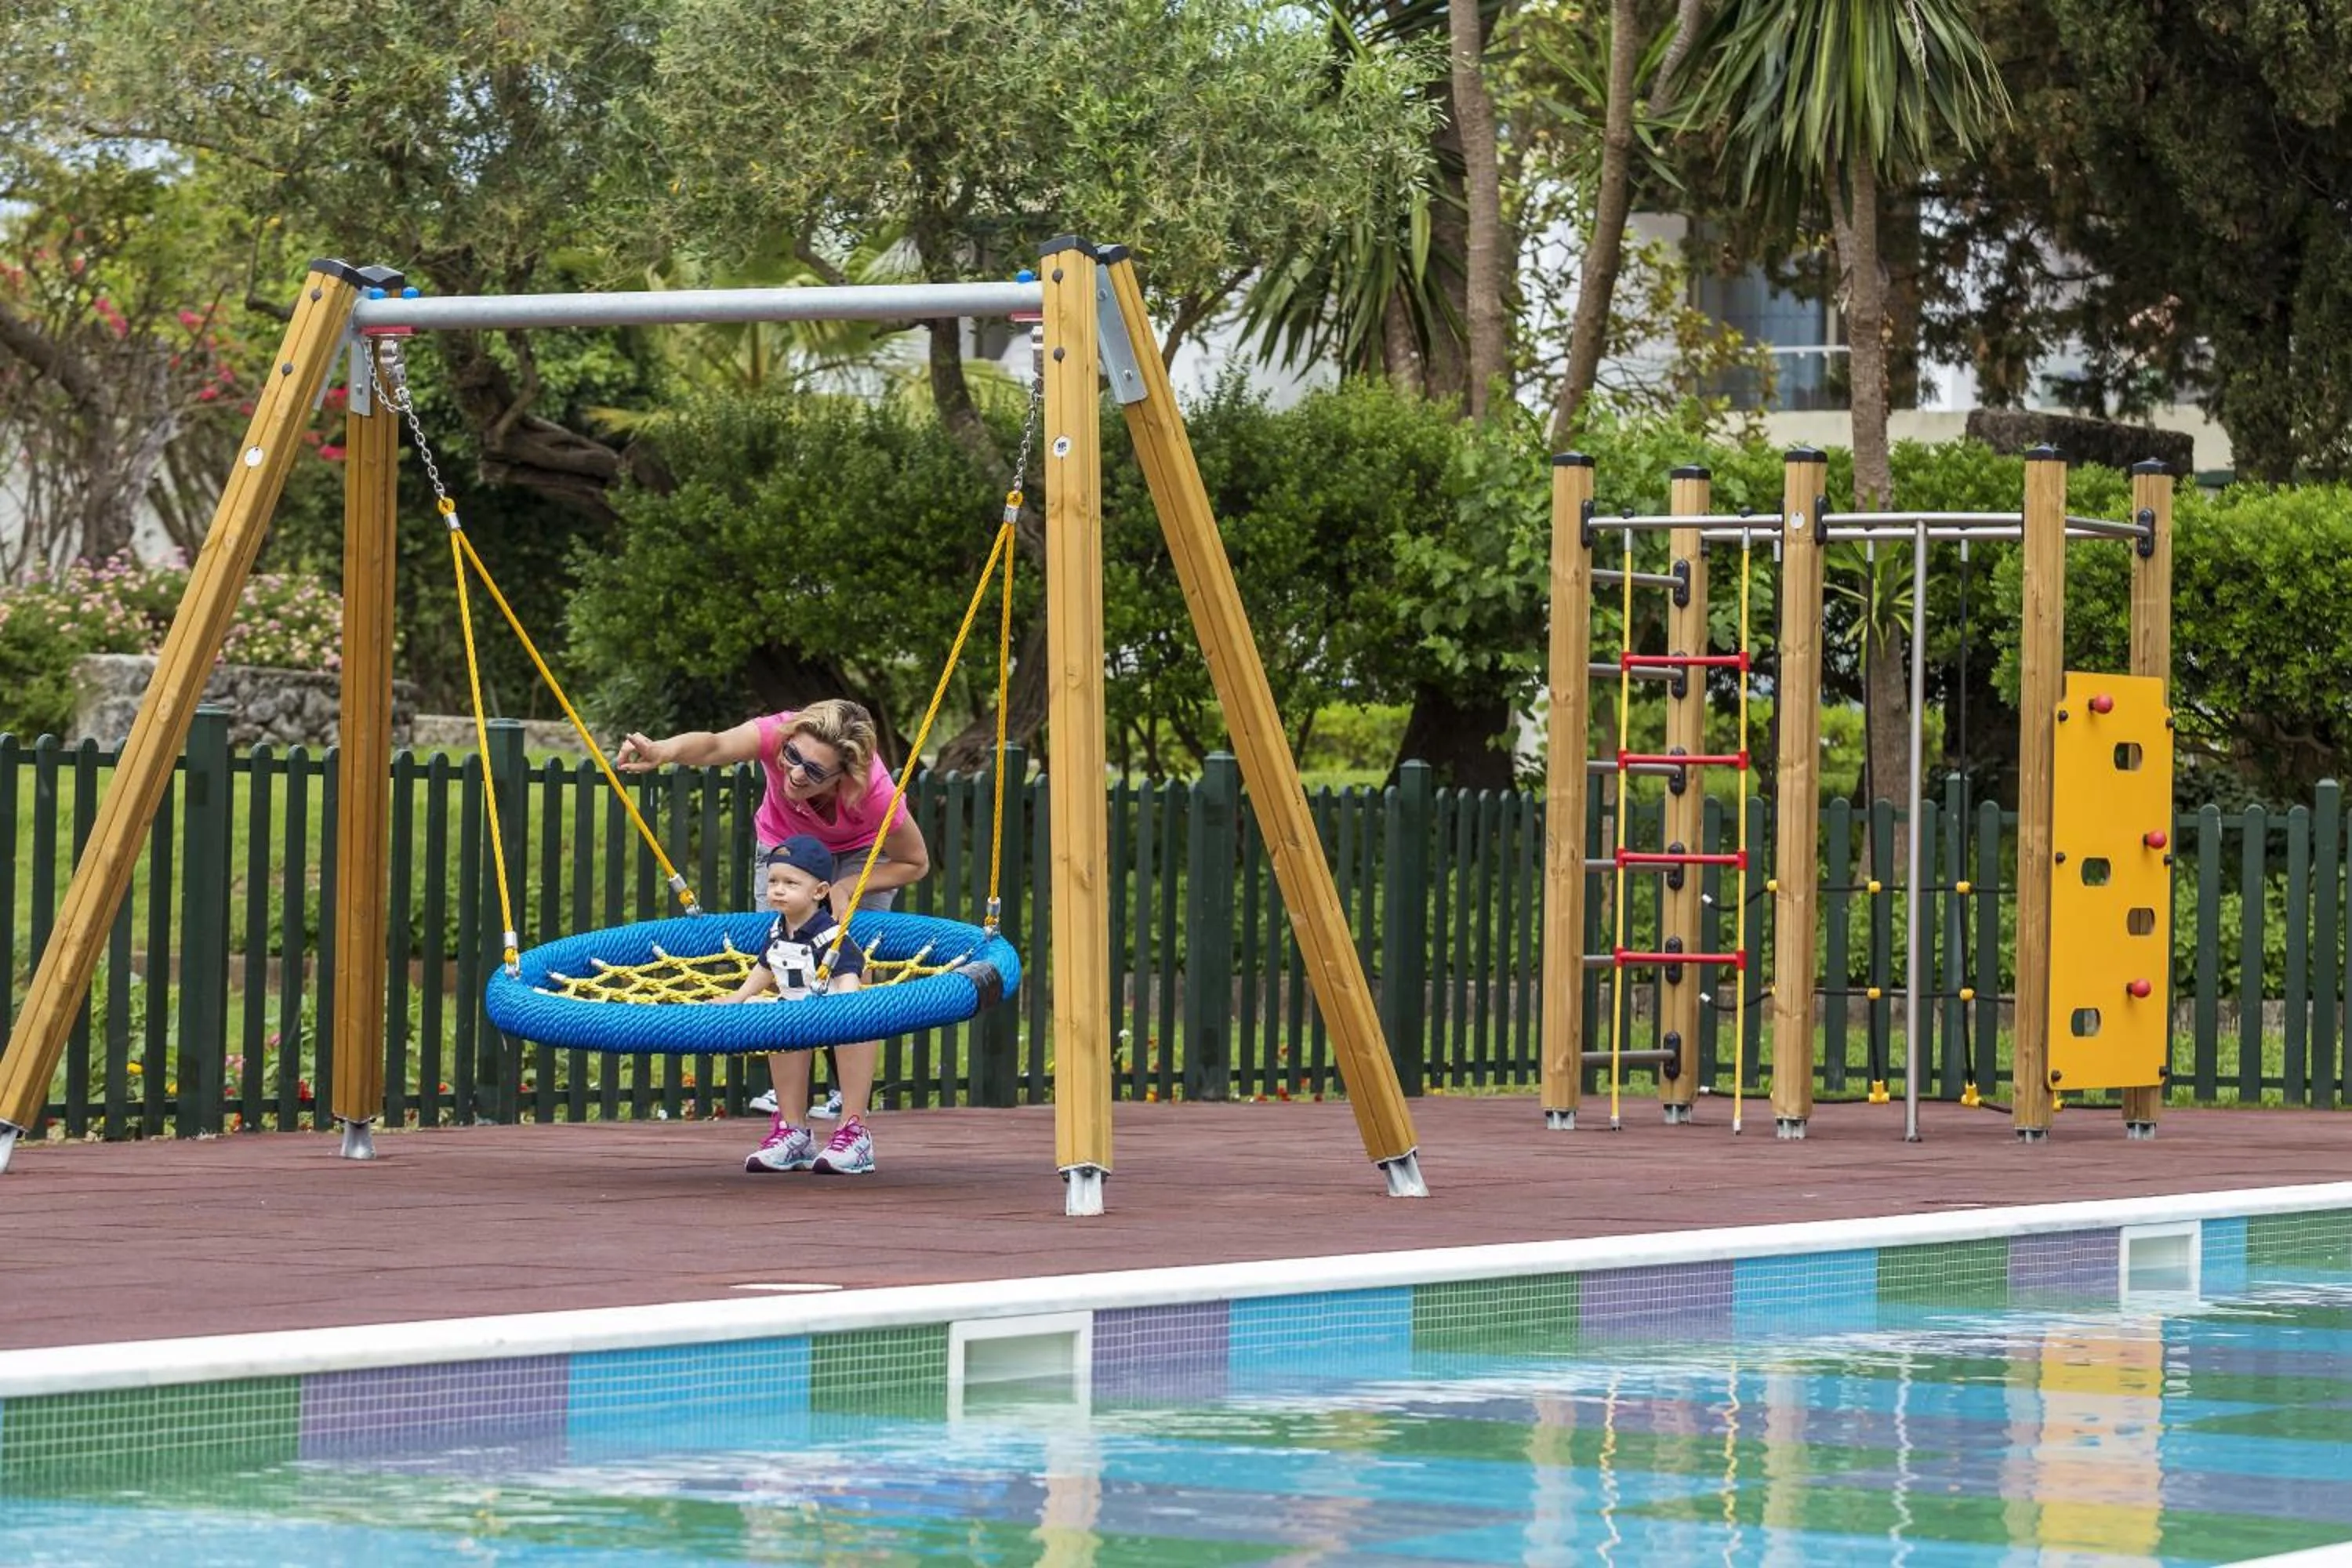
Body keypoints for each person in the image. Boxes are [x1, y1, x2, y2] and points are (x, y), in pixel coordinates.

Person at [616, 698, 929, 1131]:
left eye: (815, 772)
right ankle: (792, 1123)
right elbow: (712, 746)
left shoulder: (874, 795)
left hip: (859, 856)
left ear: (844, 775)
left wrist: (846, 887)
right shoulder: (776, 734)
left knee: (848, 965)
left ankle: (851, 1116)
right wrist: (663, 751)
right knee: (788, 962)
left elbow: (915, 863)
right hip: (786, 845)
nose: (796, 774)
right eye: (793, 758)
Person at [717, 836, 876, 1175]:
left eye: (791, 883)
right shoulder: (778, 930)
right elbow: (765, 967)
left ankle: (854, 1133)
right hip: (795, 1007)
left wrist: (848, 1006)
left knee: (854, 1039)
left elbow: (851, 970)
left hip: (832, 1009)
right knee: (780, 1032)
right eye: (773, 881)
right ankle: (794, 1132)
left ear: (818, 892)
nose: (778, 890)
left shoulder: (828, 935)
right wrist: (739, 996)